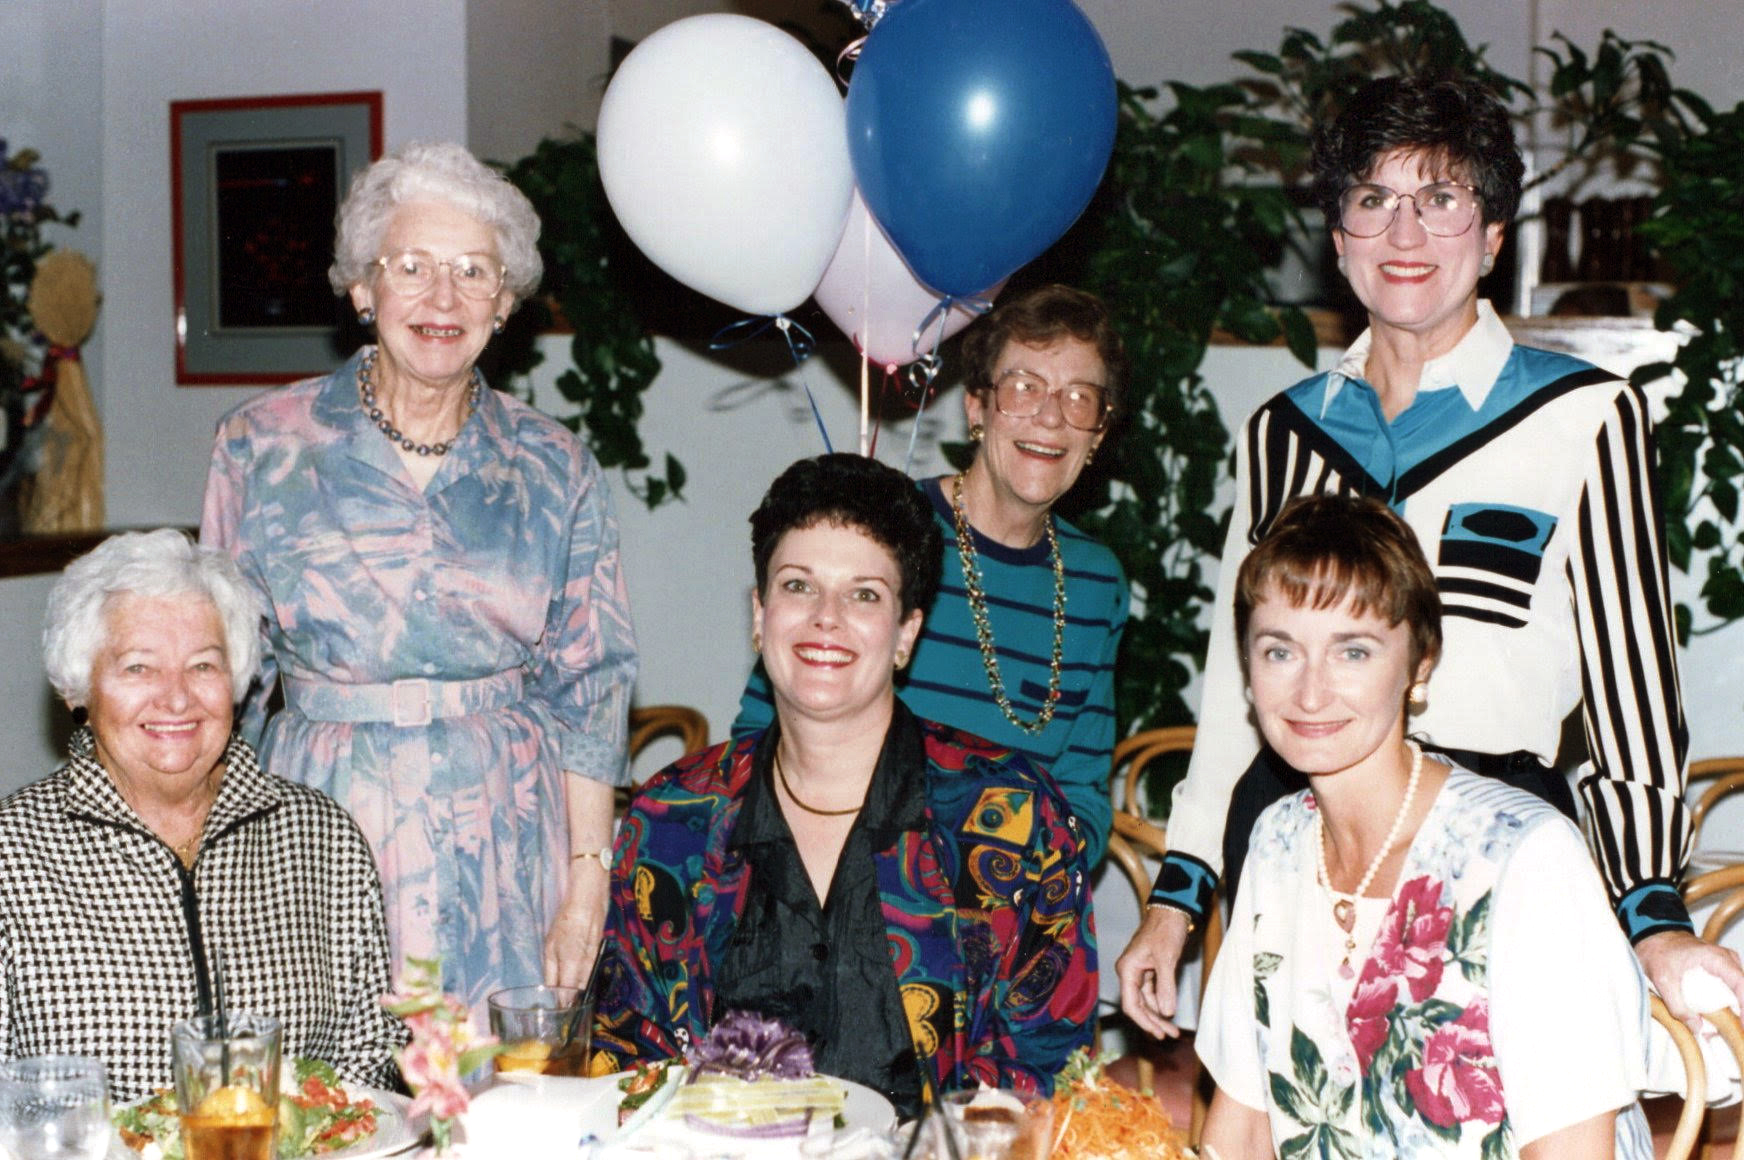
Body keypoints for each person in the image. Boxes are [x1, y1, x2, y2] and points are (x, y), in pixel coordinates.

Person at [1118, 73, 1741, 1038]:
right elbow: (1234, 683)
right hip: (1297, 844)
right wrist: (1176, 899)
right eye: (1373, 200)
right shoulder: (1284, 433)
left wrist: (1652, 913)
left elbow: (1633, 692)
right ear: (1338, 239)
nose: (1403, 234)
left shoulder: (1582, 416)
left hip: (1493, 847)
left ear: (1491, 237)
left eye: (1441, 198)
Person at [201, 141, 637, 1010]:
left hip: (506, 842)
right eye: (413, 266)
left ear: (504, 302)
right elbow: (221, 678)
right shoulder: (262, 444)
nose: (444, 298)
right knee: (328, 1083)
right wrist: (209, 867)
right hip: (319, 831)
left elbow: (591, 687)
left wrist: (588, 880)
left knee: (502, 1086)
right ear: (363, 288)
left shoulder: (554, 465)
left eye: (473, 271)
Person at [596, 454, 1096, 1118]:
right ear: (759, 614)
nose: (826, 617)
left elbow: (1045, 1077)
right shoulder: (671, 820)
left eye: (864, 594)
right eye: (798, 586)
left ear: (906, 632)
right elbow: (630, 1066)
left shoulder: (1011, 822)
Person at [1197, 495, 1656, 1159]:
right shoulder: (1277, 844)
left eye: (1353, 652)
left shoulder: (1524, 859)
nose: (1310, 693)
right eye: (1280, 651)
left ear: (1420, 665)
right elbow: (1240, 1130)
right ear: (1247, 668)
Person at [0, 530, 405, 1102]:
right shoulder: (12, 853)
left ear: (235, 682)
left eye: (203, 666)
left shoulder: (323, 838)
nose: (176, 698)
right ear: (78, 690)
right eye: (138, 668)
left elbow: (371, 1065)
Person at [735, 285, 1129, 866]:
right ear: (976, 407)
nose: (1050, 417)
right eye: (1023, 387)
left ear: (1098, 432)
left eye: (1079, 398)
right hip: (847, 874)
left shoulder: (1098, 583)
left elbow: (1083, 795)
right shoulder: (884, 535)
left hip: (1006, 889)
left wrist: (1018, 878)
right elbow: (760, 738)